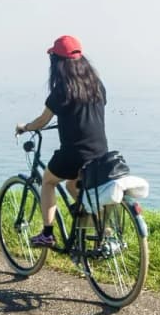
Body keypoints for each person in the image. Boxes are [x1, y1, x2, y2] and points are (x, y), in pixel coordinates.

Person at [13, 35, 109, 249]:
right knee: (73, 184)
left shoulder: (62, 90)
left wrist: (25, 127)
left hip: (74, 155)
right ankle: (97, 226)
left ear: (57, 62)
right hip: (100, 153)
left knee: (48, 181)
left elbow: (43, 120)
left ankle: (47, 234)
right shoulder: (97, 85)